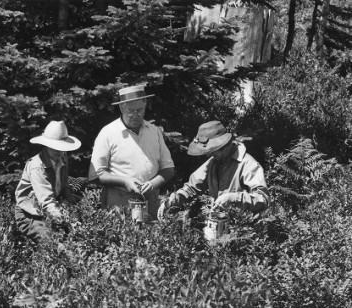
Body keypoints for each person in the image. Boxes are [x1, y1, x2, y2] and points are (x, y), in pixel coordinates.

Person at [88, 84, 175, 220]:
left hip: (151, 202)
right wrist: (125, 181)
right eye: (130, 110)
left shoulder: (154, 131)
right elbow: (96, 175)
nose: (135, 115)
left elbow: (168, 169)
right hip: (119, 205)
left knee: (152, 239)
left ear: (145, 105)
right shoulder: (108, 133)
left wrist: (153, 184)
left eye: (140, 110)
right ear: (121, 107)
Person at [158, 120, 269, 219]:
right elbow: (192, 187)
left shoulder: (248, 165)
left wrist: (233, 198)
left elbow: (263, 199)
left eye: (213, 150)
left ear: (224, 146)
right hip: (216, 226)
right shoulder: (214, 162)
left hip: (242, 230)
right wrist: (176, 199)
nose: (210, 155)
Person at [15, 120, 81, 242]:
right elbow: (46, 200)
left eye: (62, 148)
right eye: (56, 148)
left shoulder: (63, 158)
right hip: (30, 214)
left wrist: (72, 206)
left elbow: (64, 185)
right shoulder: (37, 166)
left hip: (51, 209)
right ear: (47, 145)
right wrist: (63, 220)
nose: (60, 152)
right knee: (53, 242)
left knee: (76, 236)